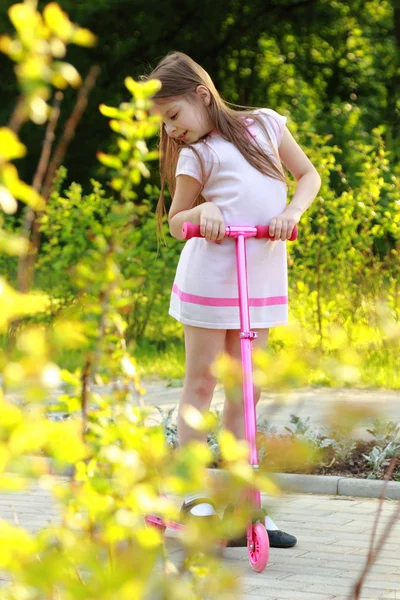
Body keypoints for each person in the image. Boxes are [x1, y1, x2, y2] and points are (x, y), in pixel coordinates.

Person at [144, 51, 321, 548]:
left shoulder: (265, 126)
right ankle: (192, 495)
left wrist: (293, 211)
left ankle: (246, 505)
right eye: (164, 122)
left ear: (202, 94)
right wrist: (205, 209)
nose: (172, 129)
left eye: (174, 115)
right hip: (210, 281)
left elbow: (308, 176)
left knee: (247, 391)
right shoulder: (196, 155)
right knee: (201, 385)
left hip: (260, 278)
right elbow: (178, 221)